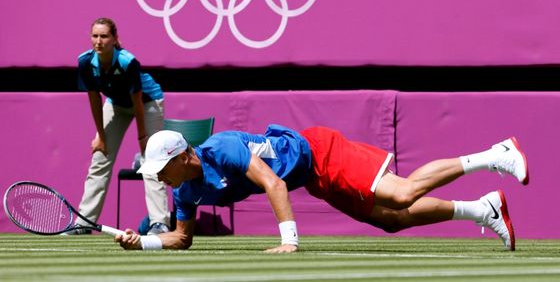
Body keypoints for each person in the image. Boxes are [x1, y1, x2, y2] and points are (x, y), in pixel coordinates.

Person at [116, 125, 528, 252]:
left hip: (319, 151)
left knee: (401, 194)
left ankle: (496, 154)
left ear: (183, 156)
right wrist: (145, 243)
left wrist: (289, 240)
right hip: (313, 177)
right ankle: (482, 209)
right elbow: (182, 238)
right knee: (390, 220)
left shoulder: (221, 149)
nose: (158, 177)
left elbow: (274, 183)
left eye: (162, 168)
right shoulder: (184, 193)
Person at [70, 18, 170, 235]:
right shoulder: (85, 62)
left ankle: (160, 222)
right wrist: (101, 137)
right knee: (100, 158)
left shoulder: (127, 62)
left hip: (148, 102)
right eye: (95, 36)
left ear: (114, 39)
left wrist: (142, 136)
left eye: (104, 36)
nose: (99, 41)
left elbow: (137, 101)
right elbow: (94, 99)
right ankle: (84, 222)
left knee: (150, 160)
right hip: (115, 104)